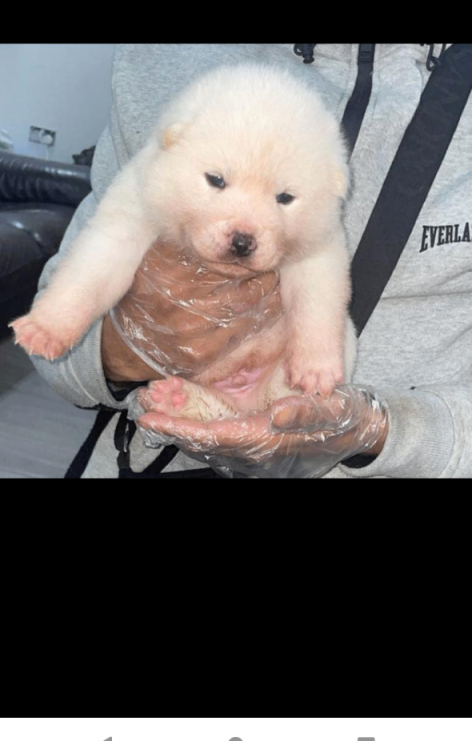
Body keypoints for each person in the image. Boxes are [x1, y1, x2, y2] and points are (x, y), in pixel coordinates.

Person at [27, 44, 472, 478]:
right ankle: (206, 407)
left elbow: (318, 273)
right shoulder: (164, 60)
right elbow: (98, 263)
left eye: (283, 198)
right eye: (217, 180)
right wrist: (120, 348)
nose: (244, 233)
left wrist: (383, 431)